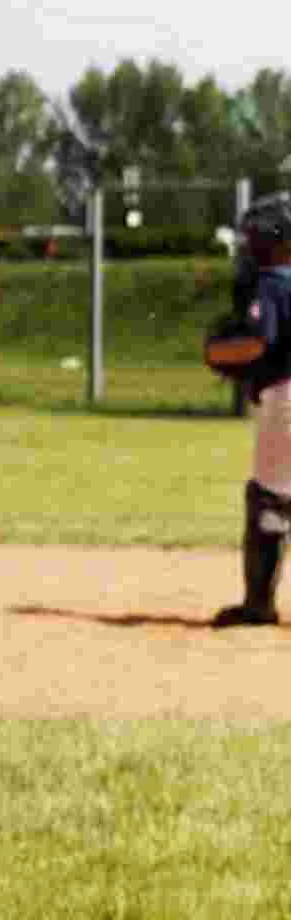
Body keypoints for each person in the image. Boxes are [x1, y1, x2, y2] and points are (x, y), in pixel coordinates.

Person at [206, 191, 291, 627]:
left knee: (270, 499)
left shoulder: (275, 281)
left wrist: (220, 351)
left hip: (286, 397)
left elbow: (258, 342)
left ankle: (259, 603)